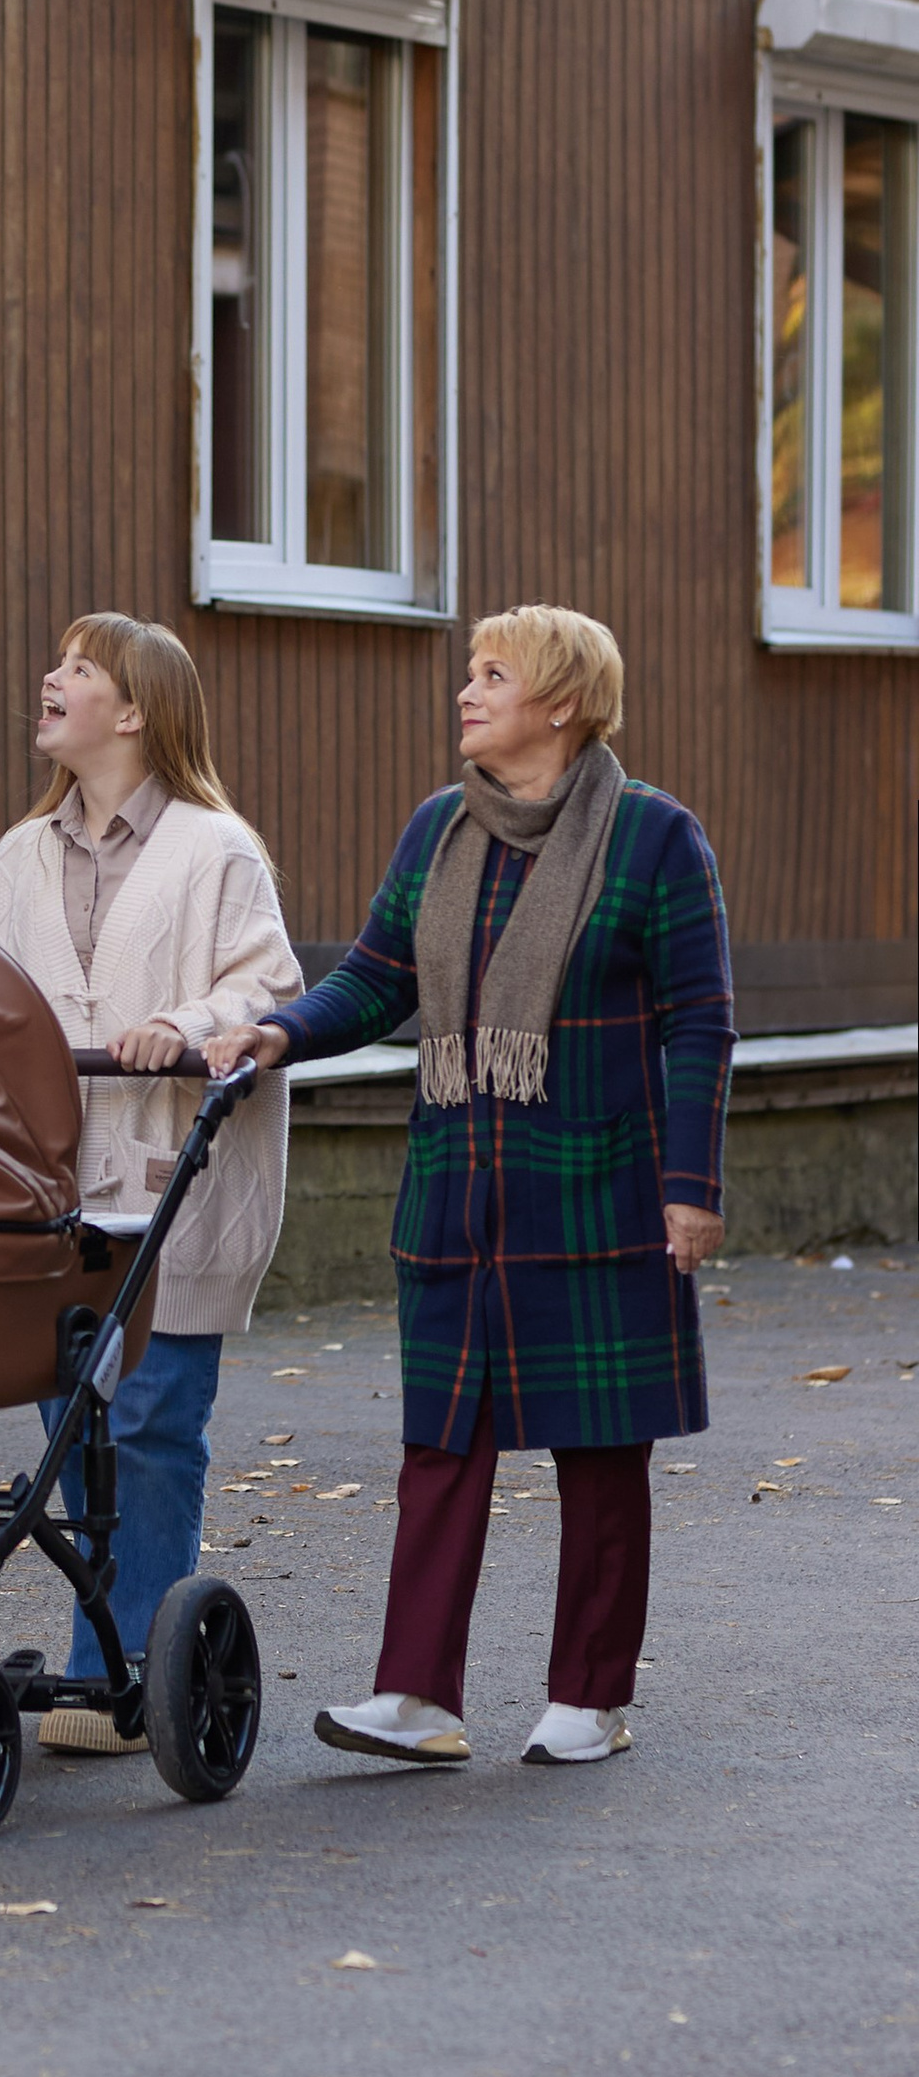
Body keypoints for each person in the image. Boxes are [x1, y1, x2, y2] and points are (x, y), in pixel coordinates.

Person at [206, 604, 733, 1769]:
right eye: (469, 672)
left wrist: (688, 1189)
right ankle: (416, 1695)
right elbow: (376, 979)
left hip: (597, 1191)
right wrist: (278, 1033)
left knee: (602, 1451)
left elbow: (700, 1021)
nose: (467, 691)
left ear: (559, 703)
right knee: (440, 1451)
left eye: (493, 675)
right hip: (457, 1194)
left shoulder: (653, 838)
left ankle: (588, 1697)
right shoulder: (440, 830)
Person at [0, 615, 300, 1750]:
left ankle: (123, 1671)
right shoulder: (17, 857)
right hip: (51, 1182)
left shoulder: (216, 849)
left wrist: (182, 1023)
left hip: (173, 1182)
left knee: (150, 1420)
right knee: (69, 1418)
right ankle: (105, 1654)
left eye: (77, 670)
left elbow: (266, 981)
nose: (47, 682)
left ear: (135, 710)